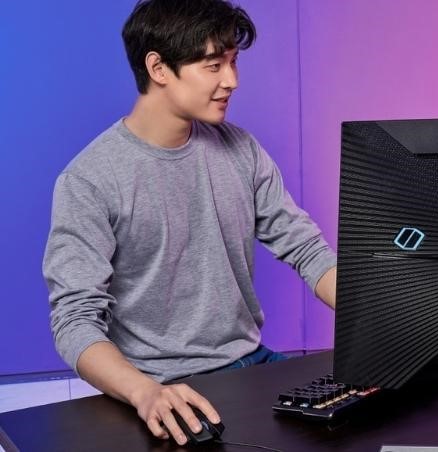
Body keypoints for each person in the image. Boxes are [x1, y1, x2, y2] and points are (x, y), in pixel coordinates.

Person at [42, 0, 337, 446]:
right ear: (158, 68)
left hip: (252, 366)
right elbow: (75, 321)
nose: (232, 81)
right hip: (160, 386)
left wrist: (381, 319)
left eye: (234, 62)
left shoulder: (242, 149)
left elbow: (308, 250)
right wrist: (145, 393)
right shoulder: (89, 180)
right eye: (213, 65)